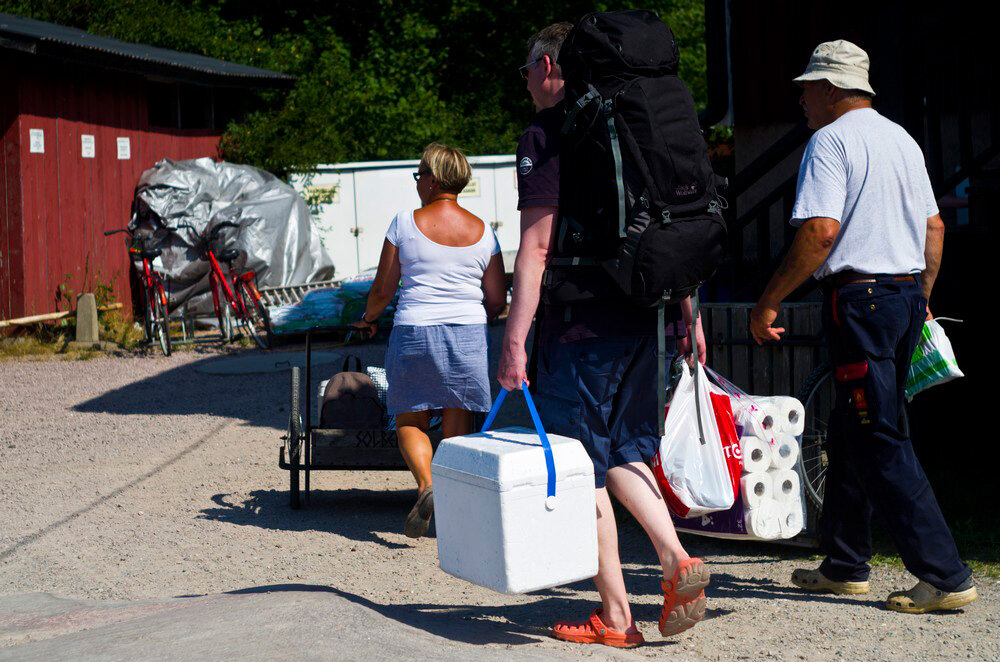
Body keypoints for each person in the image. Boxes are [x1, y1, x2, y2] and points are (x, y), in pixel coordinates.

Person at [497, 23, 710, 649]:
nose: (528, 81)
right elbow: (674, 226)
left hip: (580, 326)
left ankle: (617, 617)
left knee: (580, 463)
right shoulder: (631, 124)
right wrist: (688, 317)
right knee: (624, 449)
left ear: (545, 65)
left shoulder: (549, 134)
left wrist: (514, 340)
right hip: (648, 313)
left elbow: (536, 248)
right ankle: (675, 557)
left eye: (527, 69)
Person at [749, 40, 976, 613]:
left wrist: (768, 300)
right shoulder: (901, 138)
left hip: (858, 299)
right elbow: (935, 228)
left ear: (829, 88)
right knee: (852, 426)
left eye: (806, 88)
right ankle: (845, 563)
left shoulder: (830, 141)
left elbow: (821, 232)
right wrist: (919, 300)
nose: (801, 99)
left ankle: (945, 575)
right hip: (901, 295)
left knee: (877, 435)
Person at [353, 142, 507, 539]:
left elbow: (383, 290)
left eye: (419, 174)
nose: (417, 182)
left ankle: (426, 486)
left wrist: (368, 319)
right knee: (457, 419)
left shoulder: (404, 223)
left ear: (433, 179)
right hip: (468, 332)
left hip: (415, 330)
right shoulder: (484, 231)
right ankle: (453, 511)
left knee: (409, 417)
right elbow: (494, 299)